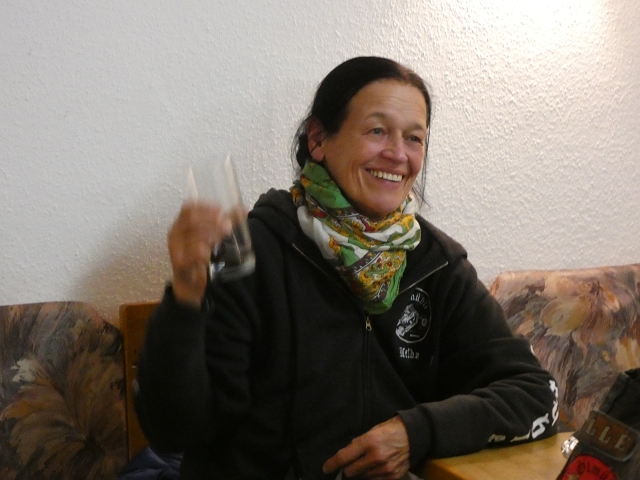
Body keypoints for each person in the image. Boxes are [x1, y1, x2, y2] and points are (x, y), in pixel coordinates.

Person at [135, 56, 559, 479]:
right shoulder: (256, 250)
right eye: (377, 131)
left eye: (414, 138)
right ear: (318, 139)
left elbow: (535, 393)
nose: (397, 154)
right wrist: (186, 298)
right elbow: (174, 430)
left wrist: (416, 432)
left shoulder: (436, 264)